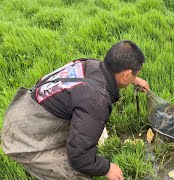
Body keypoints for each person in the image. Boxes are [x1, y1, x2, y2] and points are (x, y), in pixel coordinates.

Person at [1, 40, 149, 180]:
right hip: (23, 137)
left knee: (85, 137)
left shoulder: (90, 64)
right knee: (79, 174)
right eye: (135, 74)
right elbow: (79, 158)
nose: (136, 77)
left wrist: (134, 80)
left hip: (23, 109)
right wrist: (107, 168)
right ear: (126, 74)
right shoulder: (96, 101)